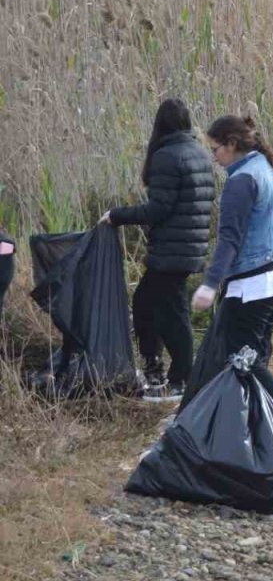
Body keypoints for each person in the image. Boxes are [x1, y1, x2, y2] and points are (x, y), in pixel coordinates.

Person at [189, 115, 273, 440]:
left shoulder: (241, 181)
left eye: (215, 149)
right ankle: (258, 430)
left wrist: (210, 284)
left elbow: (229, 240)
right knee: (254, 357)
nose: (213, 157)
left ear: (231, 144)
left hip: (255, 285)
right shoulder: (271, 171)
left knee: (245, 359)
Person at [99, 99, 215, 402]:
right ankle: (155, 370)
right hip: (188, 247)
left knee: (173, 316)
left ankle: (180, 381)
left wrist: (117, 216)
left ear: (159, 125)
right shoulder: (199, 154)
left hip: (172, 252)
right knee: (145, 305)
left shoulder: (167, 156)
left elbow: (158, 208)